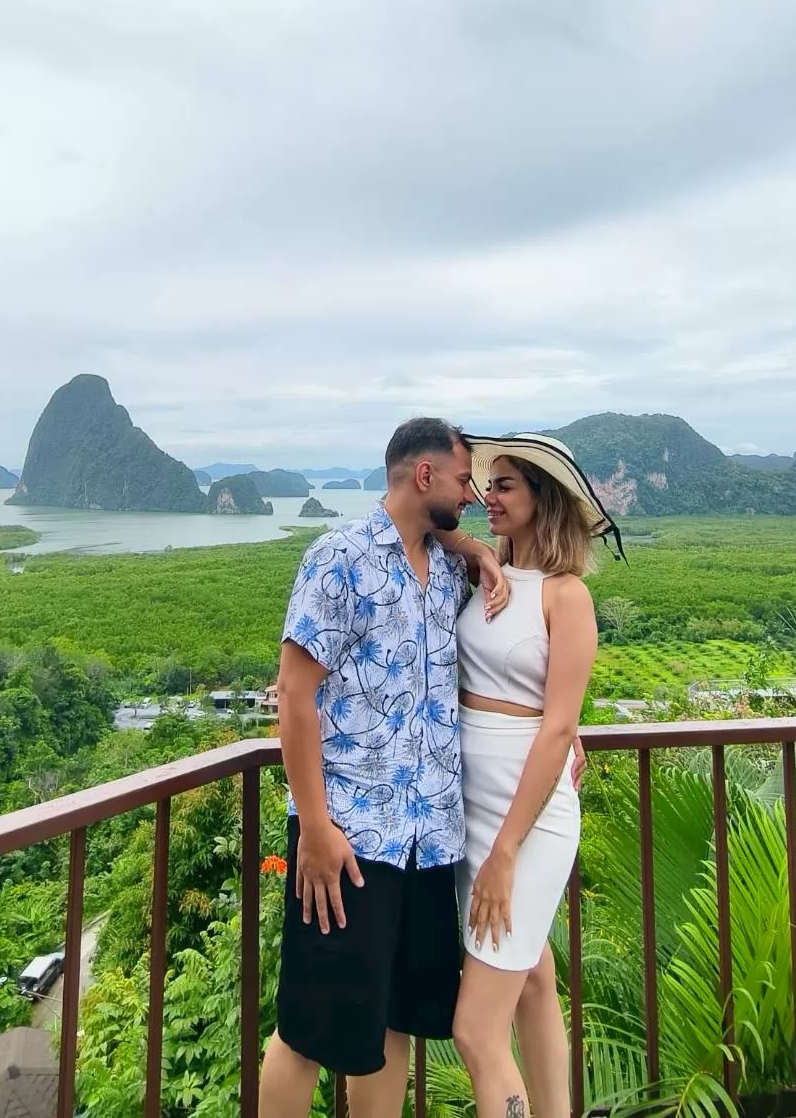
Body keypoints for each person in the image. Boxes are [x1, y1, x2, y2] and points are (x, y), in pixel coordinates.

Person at [259, 418, 511, 1118]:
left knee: (394, 1020)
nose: (471, 494)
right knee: (308, 1030)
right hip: (350, 840)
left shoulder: (440, 571)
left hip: (428, 839)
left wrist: (473, 549)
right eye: (464, 479)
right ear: (424, 475)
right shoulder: (339, 557)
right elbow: (295, 695)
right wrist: (314, 826)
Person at [450, 433, 616, 1118]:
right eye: (490, 484)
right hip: (471, 804)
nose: (490, 495)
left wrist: (506, 850)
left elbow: (556, 724)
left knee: (474, 1031)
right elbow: (416, 531)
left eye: (507, 485)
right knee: (532, 977)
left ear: (542, 502)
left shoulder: (566, 594)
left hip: (526, 819)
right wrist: (477, 550)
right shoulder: (485, 571)